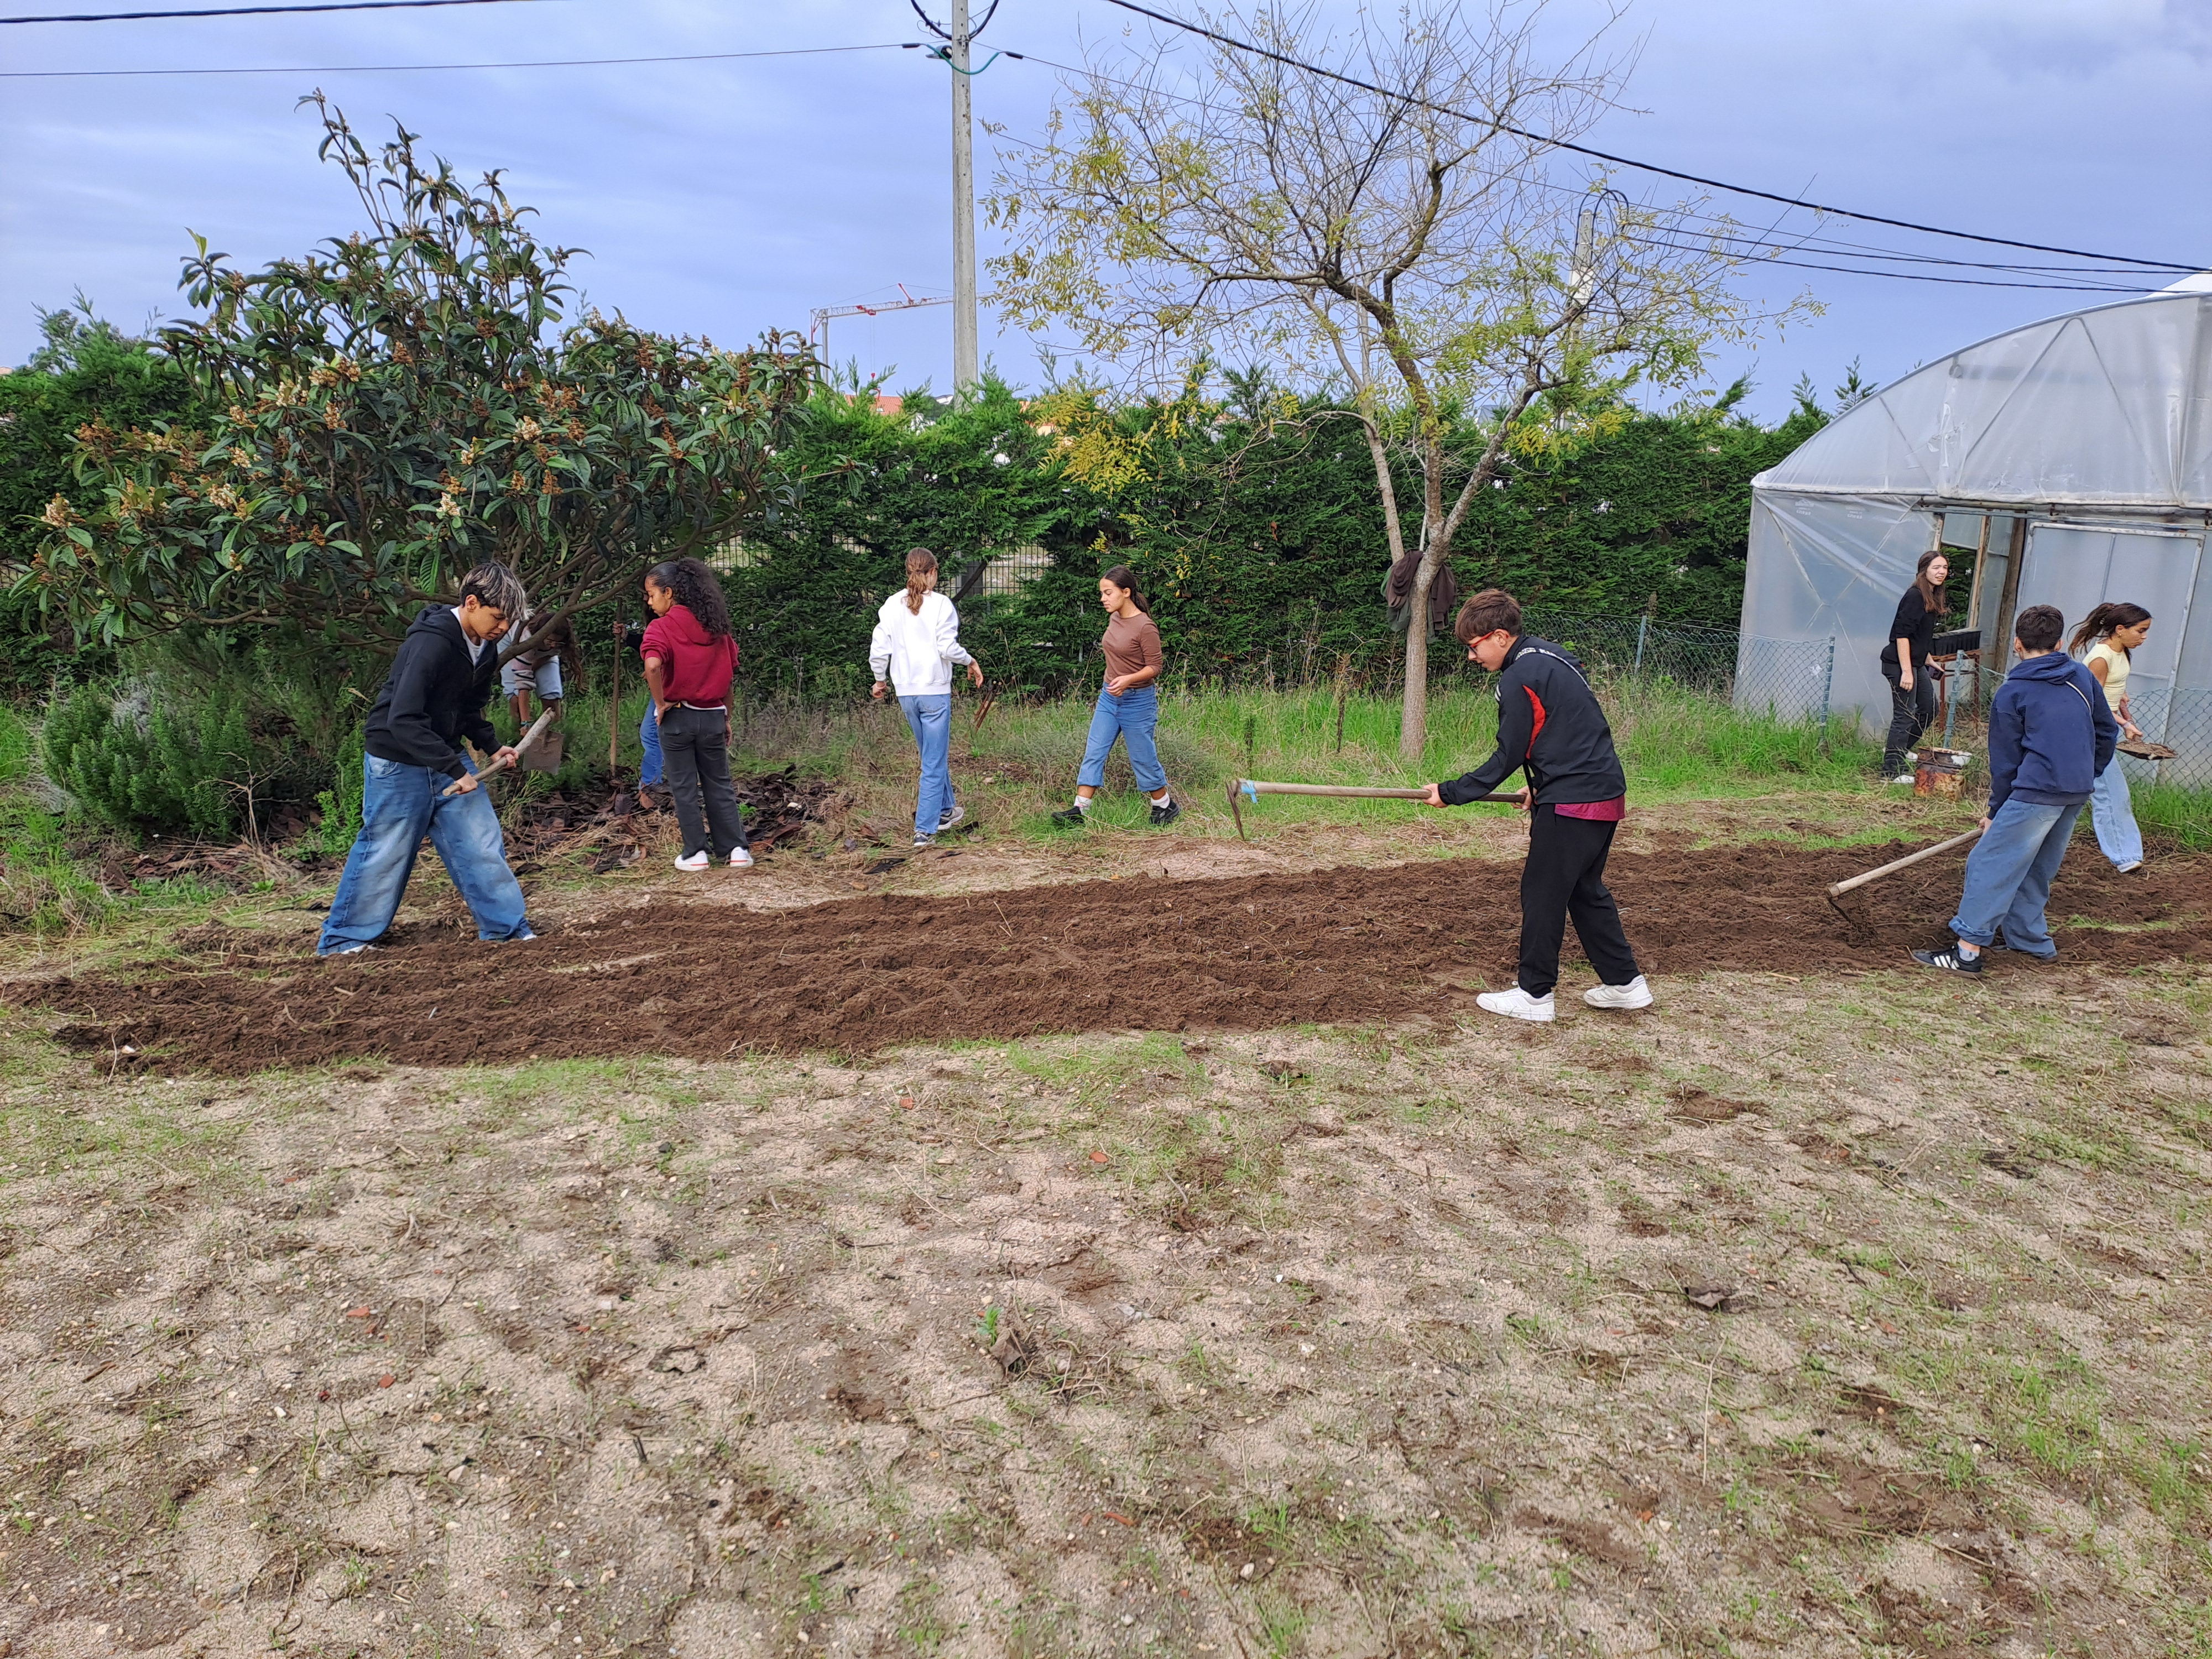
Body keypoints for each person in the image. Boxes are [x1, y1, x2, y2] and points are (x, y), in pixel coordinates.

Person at [1421, 587, 1651, 1022]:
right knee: (1584, 891)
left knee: (1542, 892)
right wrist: (1542, 784)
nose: (1472, 656)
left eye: (1474, 646)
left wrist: (1451, 792)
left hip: (1574, 801)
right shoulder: (1552, 657)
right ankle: (1626, 984)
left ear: (1500, 636)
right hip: (1602, 791)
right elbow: (1567, 730)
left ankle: (1534, 995)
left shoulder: (1517, 677)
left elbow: (1508, 753)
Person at [318, 562, 536, 956]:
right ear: (472, 603)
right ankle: (344, 941)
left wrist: (491, 746)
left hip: (444, 753)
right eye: (498, 617)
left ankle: (506, 931)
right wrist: (455, 769)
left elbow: (468, 708)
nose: (503, 628)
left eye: (510, 622)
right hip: (397, 759)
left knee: (481, 844)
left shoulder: (485, 648)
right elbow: (403, 718)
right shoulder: (430, 643)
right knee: (387, 851)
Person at [1913, 603, 2116, 975]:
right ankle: (2030, 940)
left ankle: (1967, 952)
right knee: (2036, 866)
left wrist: (1996, 812)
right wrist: (2087, 773)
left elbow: (2006, 764)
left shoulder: (2013, 692)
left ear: (2018, 644)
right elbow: (2107, 731)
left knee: (1988, 863)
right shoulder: (2081, 676)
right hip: (2075, 790)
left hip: (2037, 791)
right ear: (2059, 644)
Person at [641, 558, 752, 870]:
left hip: (678, 717)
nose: (649, 602)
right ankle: (736, 851)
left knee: (684, 786)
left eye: (652, 595)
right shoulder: (717, 629)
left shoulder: (660, 628)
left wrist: (660, 703)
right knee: (719, 783)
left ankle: (696, 854)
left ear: (669, 592)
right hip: (713, 716)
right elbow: (729, 679)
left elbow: (653, 666)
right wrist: (726, 718)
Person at [1049, 565, 1180, 830]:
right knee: (1094, 751)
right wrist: (1114, 679)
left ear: (1126, 592)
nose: (1103, 599)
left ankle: (1165, 805)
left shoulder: (1145, 627)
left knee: (1142, 758)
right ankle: (1080, 811)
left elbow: (1155, 667)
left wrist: (1128, 679)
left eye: (1108, 593)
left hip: (1138, 701)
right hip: (1109, 698)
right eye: (1102, 593)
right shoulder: (1115, 618)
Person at [870, 548, 983, 849]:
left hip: (906, 693)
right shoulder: (941, 604)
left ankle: (946, 810)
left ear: (908, 571)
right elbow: (947, 647)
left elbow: (879, 649)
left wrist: (880, 679)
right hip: (934, 692)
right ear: (933, 572)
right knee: (933, 762)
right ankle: (925, 830)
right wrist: (970, 660)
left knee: (931, 755)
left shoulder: (892, 604)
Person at [2072, 601, 2153, 875]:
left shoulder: (2122, 652)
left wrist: (2125, 711)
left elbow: (2116, 693)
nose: (2144, 637)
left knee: (2075, 793)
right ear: (2120, 630)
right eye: (2140, 631)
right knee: (2111, 793)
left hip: (2103, 730)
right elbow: (2095, 703)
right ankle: (2125, 856)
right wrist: (2125, 724)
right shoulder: (2100, 658)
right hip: (2089, 731)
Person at [1880, 549, 1950, 782]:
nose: (1941, 572)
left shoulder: (1931, 595)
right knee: (1905, 714)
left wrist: (1928, 660)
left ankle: (1897, 750)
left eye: (1944, 568)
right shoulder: (1915, 596)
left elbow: (1919, 636)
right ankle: (1891, 771)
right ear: (1924, 570)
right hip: (1898, 664)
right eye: (1936, 568)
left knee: (1929, 709)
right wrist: (1907, 672)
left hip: (1916, 663)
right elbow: (1902, 636)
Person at [499, 610, 574, 731]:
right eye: (550, 641)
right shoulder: (526, 641)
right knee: (515, 695)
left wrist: (532, 668)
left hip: (544, 655)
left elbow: (550, 653)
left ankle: (552, 731)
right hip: (513, 646)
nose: (553, 645)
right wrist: (526, 722)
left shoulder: (562, 643)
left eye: (557, 642)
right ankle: (519, 731)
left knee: (551, 696)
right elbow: (523, 684)